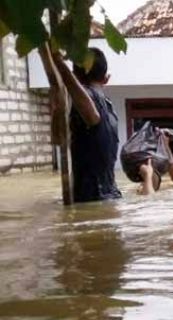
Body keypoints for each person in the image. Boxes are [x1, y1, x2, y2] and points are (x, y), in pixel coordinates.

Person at [40, 45, 121, 202]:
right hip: (112, 196)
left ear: (75, 75)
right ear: (106, 78)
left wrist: (59, 66)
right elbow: (59, 139)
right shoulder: (110, 107)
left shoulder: (87, 100)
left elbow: (59, 138)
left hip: (91, 199)